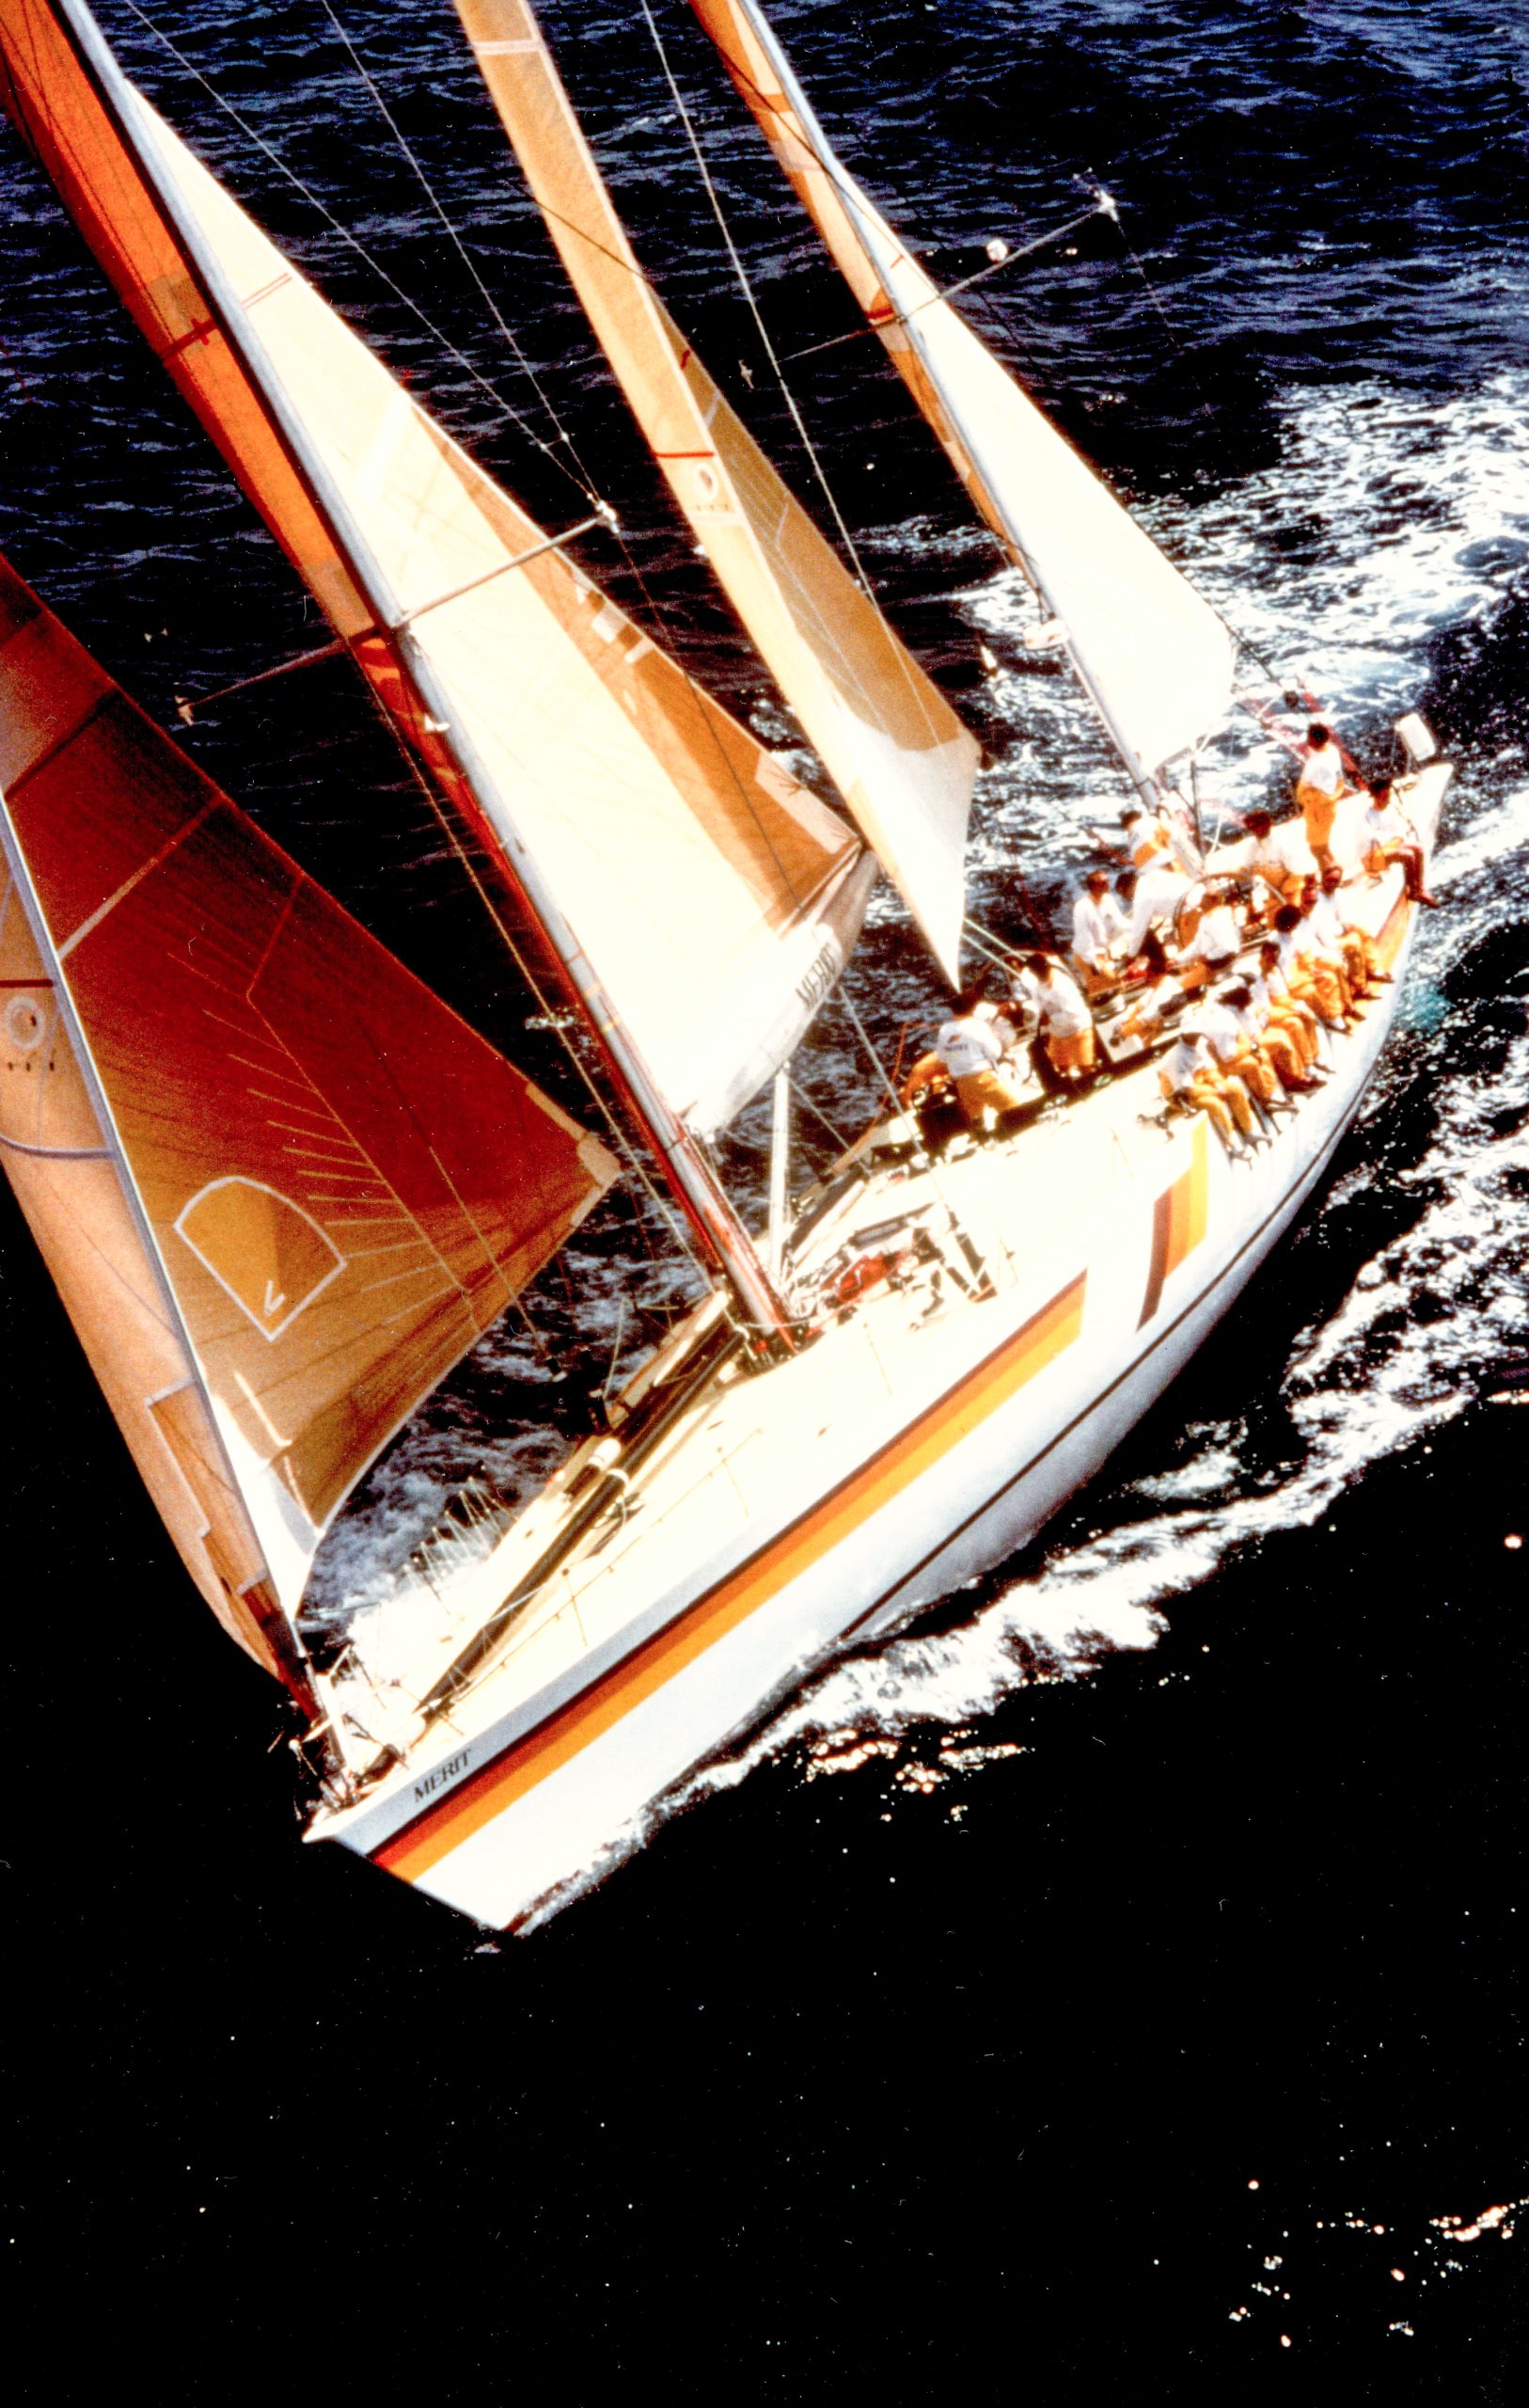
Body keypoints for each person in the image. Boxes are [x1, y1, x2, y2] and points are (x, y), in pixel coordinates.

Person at [933, 986, 1032, 1127]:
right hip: (981, 1080)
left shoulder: (944, 1030)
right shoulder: (977, 1026)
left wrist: (959, 1054)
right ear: (972, 1008)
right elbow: (995, 1053)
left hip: (962, 1084)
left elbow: (943, 1056)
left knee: (976, 1121)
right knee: (1014, 1110)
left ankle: (982, 1135)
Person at [1160, 1022, 1257, 1152]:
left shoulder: (1198, 1046)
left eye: (1198, 1033)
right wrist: (1213, 1091)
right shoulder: (1177, 1058)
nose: (1196, 1036)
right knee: (1213, 1104)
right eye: (1193, 1034)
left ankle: (1249, 1131)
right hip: (1181, 1097)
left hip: (1200, 1083)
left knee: (1234, 1090)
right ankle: (1231, 1143)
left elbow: (1209, 1070)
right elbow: (1187, 1090)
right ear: (1184, 1034)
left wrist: (1217, 1083)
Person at [1017, 951, 1097, 1084]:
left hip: (1078, 1029)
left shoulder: (1061, 985)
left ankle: (1094, 1084)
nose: (1033, 974)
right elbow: (1039, 1001)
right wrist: (1043, 1014)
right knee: (1060, 1064)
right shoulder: (1038, 983)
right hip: (1058, 1032)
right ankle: (1071, 1086)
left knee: (1085, 1067)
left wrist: (1051, 1019)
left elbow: (1075, 1012)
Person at [1272, 900, 1349, 1028]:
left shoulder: (1292, 936)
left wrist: (1311, 968)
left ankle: (1335, 1014)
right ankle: (1327, 1017)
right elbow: (1281, 975)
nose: (1296, 926)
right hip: (1290, 982)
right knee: (1310, 991)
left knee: (1329, 978)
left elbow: (1303, 954)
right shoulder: (1273, 944)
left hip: (1301, 973)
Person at [1312, 863, 1385, 996]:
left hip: (1337, 930)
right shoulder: (1315, 898)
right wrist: (1338, 938)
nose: (1332, 884)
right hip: (1326, 938)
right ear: (1322, 877)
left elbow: (1342, 915)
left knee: (1363, 932)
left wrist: (1346, 925)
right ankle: (1360, 987)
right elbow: (1320, 929)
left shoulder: (1337, 894)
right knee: (1354, 943)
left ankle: (1372, 969)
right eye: (1329, 880)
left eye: (1336, 881)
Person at [1363, 779, 1437, 905]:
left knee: (1418, 849)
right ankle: (1412, 891)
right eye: (1384, 795)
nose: (1387, 798)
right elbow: (1370, 839)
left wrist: (1397, 839)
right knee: (1407, 855)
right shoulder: (1366, 816)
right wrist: (1393, 839)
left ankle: (1420, 888)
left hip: (1388, 847)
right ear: (1377, 796)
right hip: (1371, 856)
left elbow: (1397, 832)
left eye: (1387, 795)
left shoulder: (1389, 810)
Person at [1253, 939, 1323, 1071]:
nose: (1274, 961)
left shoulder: (1274, 969)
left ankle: (1315, 1055)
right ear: (1263, 955)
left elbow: (1282, 993)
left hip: (1280, 1003)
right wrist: (1290, 1011)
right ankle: (1307, 1064)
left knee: (1309, 1017)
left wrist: (1293, 1006)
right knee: (1295, 1024)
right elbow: (1264, 1008)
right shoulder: (1257, 977)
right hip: (1268, 1012)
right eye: (1271, 958)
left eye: (1276, 957)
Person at [1294, 721, 1348, 876]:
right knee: (1323, 845)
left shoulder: (1317, 765)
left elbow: (1317, 791)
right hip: (1328, 806)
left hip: (1319, 810)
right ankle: (1336, 869)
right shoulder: (1331, 749)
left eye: (1309, 738)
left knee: (1316, 848)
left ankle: (1329, 877)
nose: (1307, 740)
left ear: (1316, 740)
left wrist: (1304, 796)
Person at [1069, 867, 1128, 995]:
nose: (1108, 884)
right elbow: (1086, 943)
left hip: (1102, 952)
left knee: (1116, 984)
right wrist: (1099, 966)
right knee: (1107, 989)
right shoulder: (1082, 908)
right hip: (1086, 957)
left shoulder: (1108, 899)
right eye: (1104, 882)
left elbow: (1120, 922)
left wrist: (1139, 928)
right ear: (1095, 886)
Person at [1175, 884, 1244, 990]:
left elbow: (1230, 947)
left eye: (1204, 898)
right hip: (1209, 966)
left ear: (1212, 901)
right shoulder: (1205, 919)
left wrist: (1208, 956)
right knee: (1181, 986)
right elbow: (1197, 944)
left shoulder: (1218, 919)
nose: (1201, 901)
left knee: (1180, 988)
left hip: (1221, 967)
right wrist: (1177, 959)